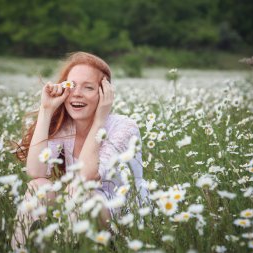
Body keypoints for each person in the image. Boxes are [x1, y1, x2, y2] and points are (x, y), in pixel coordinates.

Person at [11, 52, 149, 248]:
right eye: (71, 85)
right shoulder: (66, 128)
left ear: (104, 93)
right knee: (37, 187)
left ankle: (61, 248)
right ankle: (20, 250)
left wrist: (100, 119)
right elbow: (36, 172)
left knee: (79, 189)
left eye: (89, 87)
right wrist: (46, 109)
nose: (76, 93)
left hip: (124, 218)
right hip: (76, 207)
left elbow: (85, 176)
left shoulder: (124, 127)